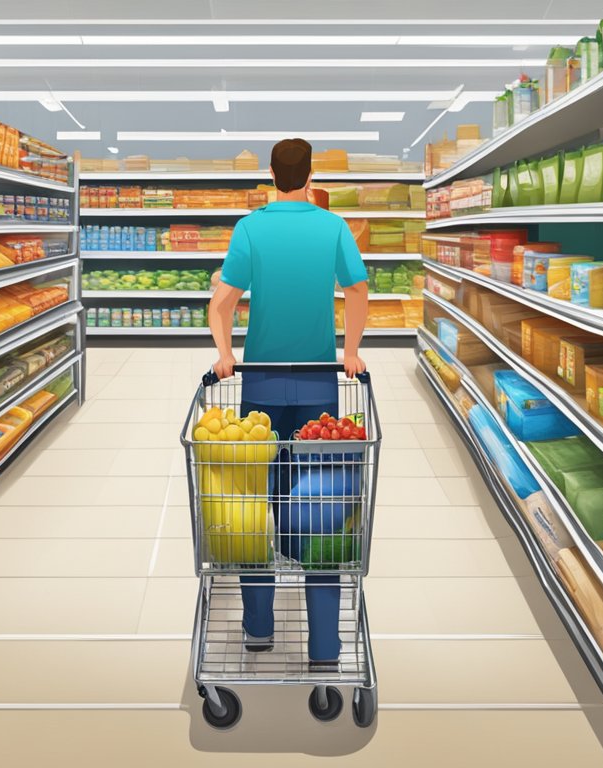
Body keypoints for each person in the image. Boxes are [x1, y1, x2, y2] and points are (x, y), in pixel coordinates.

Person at [207, 137, 368, 671]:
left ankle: (258, 629)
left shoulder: (251, 228)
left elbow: (223, 302)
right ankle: (324, 648)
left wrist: (226, 354)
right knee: (322, 513)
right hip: (321, 391)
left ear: (270, 174)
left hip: (260, 390)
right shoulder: (333, 227)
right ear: (311, 174)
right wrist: (350, 353)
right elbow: (358, 291)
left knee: (257, 509)